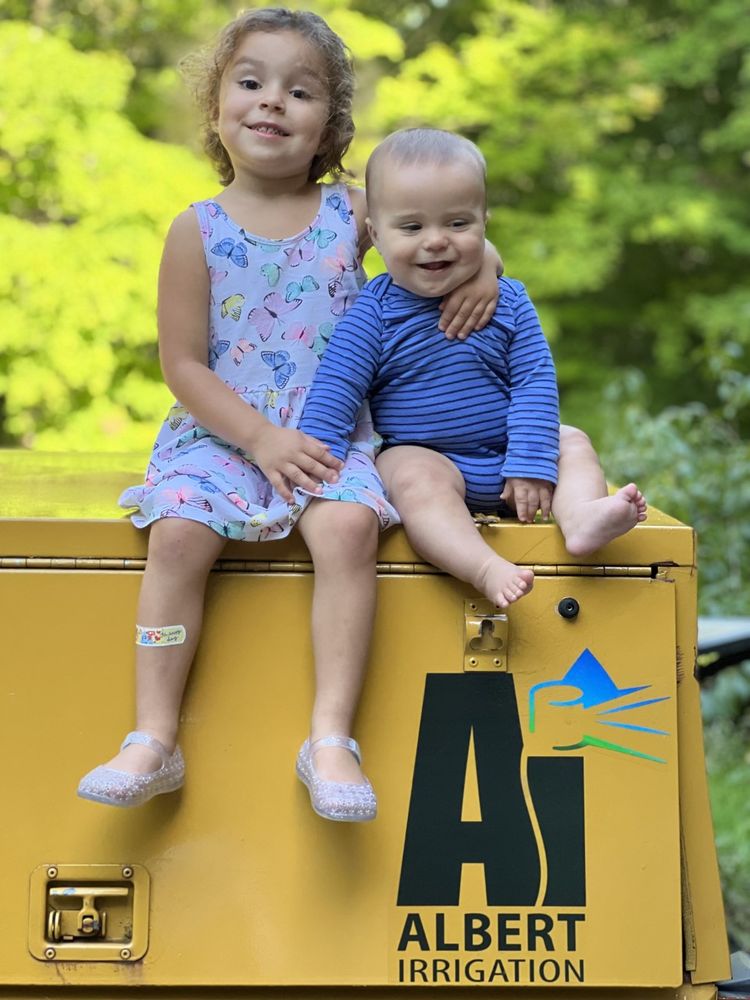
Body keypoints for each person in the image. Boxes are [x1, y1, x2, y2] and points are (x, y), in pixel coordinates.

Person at [76, 11, 504, 822]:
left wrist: (489, 267)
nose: (272, 102)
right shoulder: (193, 231)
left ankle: (331, 736)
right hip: (225, 435)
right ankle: (154, 734)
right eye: (251, 82)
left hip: (330, 435)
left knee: (346, 530)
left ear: (330, 127)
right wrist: (258, 437)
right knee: (176, 535)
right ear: (215, 110)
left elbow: (441, 234)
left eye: (299, 91)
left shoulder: (352, 213)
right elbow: (183, 366)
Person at [300, 128, 647, 608]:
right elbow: (338, 385)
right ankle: (482, 566)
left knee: (572, 441)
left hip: (514, 461)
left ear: (485, 224)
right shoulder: (374, 311)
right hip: (434, 460)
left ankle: (582, 517)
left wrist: (531, 462)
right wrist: (315, 458)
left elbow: (533, 383)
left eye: (458, 224)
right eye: (412, 228)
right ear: (376, 236)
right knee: (405, 470)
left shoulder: (510, 301)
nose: (437, 241)